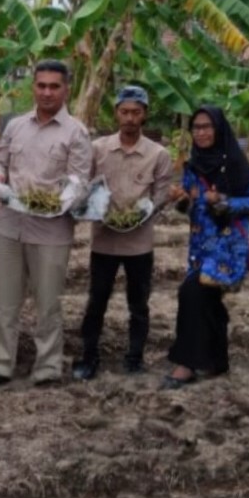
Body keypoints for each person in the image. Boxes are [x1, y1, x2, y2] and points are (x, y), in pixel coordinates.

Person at [0, 60, 92, 386]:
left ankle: (47, 366)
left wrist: (59, 201)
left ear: (66, 89)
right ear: (33, 86)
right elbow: (0, 162)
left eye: (54, 86)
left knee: (48, 303)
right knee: (6, 301)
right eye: (41, 85)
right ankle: (3, 363)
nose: (47, 92)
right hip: (10, 225)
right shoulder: (15, 126)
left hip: (52, 230)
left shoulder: (76, 132)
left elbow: (78, 182)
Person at [73, 86, 173, 381]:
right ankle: (89, 357)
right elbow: (85, 186)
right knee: (96, 301)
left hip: (139, 244)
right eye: (125, 111)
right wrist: (94, 208)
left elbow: (161, 195)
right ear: (116, 113)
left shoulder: (158, 154)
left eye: (136, 112)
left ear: (144, 115)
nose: (130, 118)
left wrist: (139, 216)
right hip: (103, 240)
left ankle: (134, 357)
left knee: (138, 304)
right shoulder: (99, 149)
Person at [162, 105, 249, 389]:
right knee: (210, 303)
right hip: (199, 245)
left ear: (218, 129)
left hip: (226, 247)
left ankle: (186, 364)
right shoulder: (193, 164)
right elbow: (189, 204)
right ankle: (218, 361)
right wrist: (182, 199)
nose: (201, 132)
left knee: (190, 294)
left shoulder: (233, 162)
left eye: (207, 127)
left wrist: (221, 201)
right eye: (196, 128)